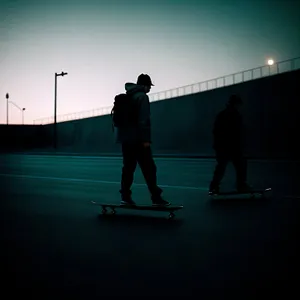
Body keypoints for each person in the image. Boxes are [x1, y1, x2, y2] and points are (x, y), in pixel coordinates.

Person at [114, 74, 170, 206]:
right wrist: (145, 139)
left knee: (128, 168)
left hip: (126, 139)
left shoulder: (128, 96)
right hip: (138, 139)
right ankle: (156, 198)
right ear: (145, 85)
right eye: (149, 86)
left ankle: (125, 197)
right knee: (149, 168)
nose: (150, 88)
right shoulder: (142, 97)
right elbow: (143, 120)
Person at [209, 94, 252, 194]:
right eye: (238, 104)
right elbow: (221, 131)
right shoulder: (231, 115)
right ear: (235, 104)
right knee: (230, 165)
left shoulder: (228, 114)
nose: (239, 106)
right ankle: (240, 185)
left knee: (225, 166)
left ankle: (215, 186)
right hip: (227, 146)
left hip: (228, 146)